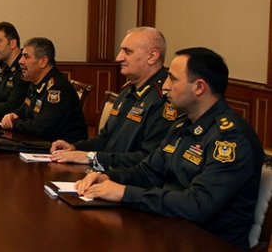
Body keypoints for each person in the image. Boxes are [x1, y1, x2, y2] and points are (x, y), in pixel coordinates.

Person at [75, 47, 263, 250]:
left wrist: (124, 193)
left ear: (199, 87)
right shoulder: (183, 124)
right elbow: (147, 172)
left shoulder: (230, 139)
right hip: (168, 229)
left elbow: (197, 205)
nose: (165, 86)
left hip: (206, 242)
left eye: (173, 79)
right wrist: (108, 177)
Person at [50, 27, 176, 170]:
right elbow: (106, 139)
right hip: (107, 171)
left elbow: (149, 159)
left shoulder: (165, 98)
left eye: (127, 52)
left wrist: (92, 157)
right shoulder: (128, 90)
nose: (118, 58)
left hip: (126, 179)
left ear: (152, 56)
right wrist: (75, 147)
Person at [0, 37, 87, 142]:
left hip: (62, 148)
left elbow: (42, 128)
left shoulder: (57, 88)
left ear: (43, 61)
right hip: (41, 142)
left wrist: (14, 123)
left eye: (26, 57)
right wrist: (13, 115)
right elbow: (25, 109)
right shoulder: (36, 82)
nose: (20, 61)